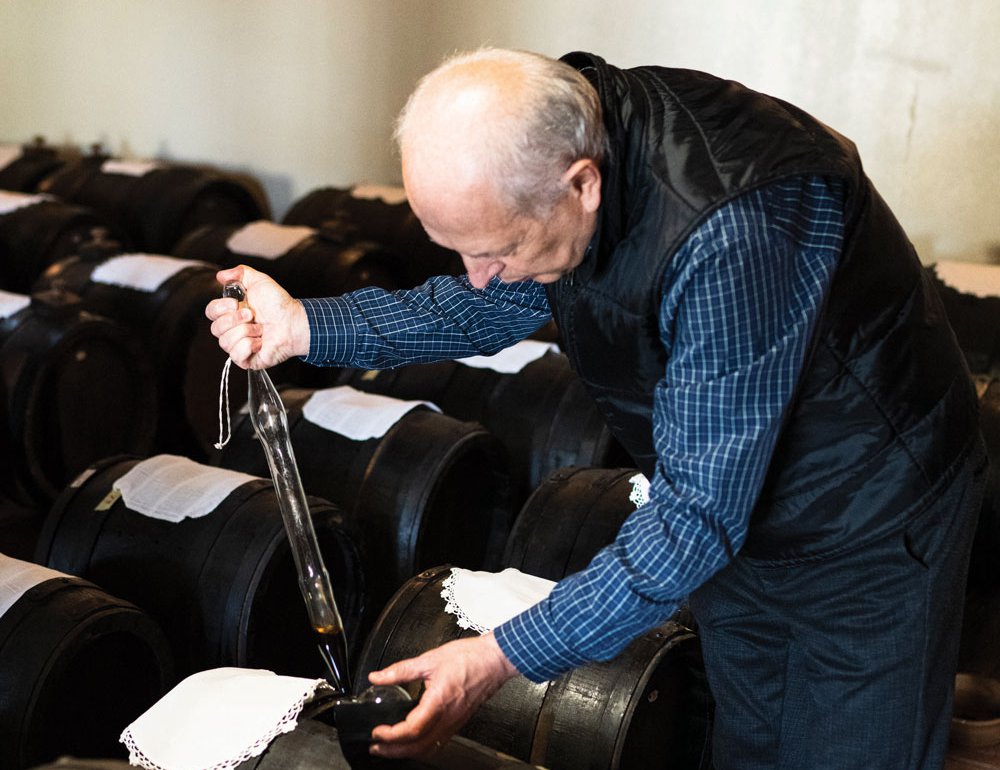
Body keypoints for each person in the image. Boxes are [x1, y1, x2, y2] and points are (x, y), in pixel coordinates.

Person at [206, 48, 986, 769]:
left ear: (582, 183)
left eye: (498, 249)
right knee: (755, 735)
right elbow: (486, 308)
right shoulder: (567, 140)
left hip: (867, 519)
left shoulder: (735, 231)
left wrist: (496, 658)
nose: (482, 276)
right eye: (463, 250)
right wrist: (303, 325)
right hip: (748, 504)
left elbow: (696, 518)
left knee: (849, 748)